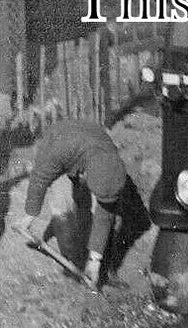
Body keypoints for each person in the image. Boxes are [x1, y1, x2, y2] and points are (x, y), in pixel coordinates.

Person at [14, 119, 146, 289]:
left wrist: (94, 260)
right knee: (63, 211)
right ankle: (72, 263)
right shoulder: (59, 151)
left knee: (93, 215)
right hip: (61, 141)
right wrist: (30, 215)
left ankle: (98, 265)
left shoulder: (111, 163)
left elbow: (104, 214)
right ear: (85, 174)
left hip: (87, 147)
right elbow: (39, 177)